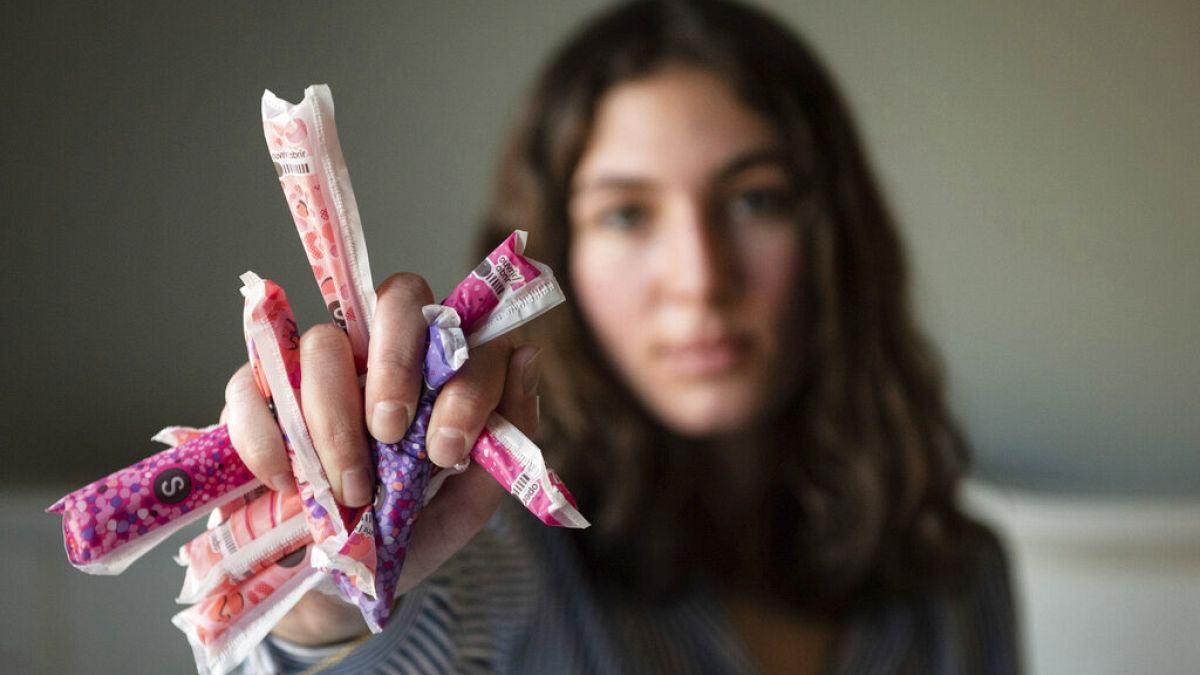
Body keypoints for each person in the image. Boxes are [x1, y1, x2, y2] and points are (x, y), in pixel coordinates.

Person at [223, 1, 1019, 673]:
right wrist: (321, 600)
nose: (700, 277)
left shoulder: (958, 574)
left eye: (755, 200)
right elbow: (404, 633)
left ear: (833, 235)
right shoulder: (508, 545)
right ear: (559, 256)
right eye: (628, 214)